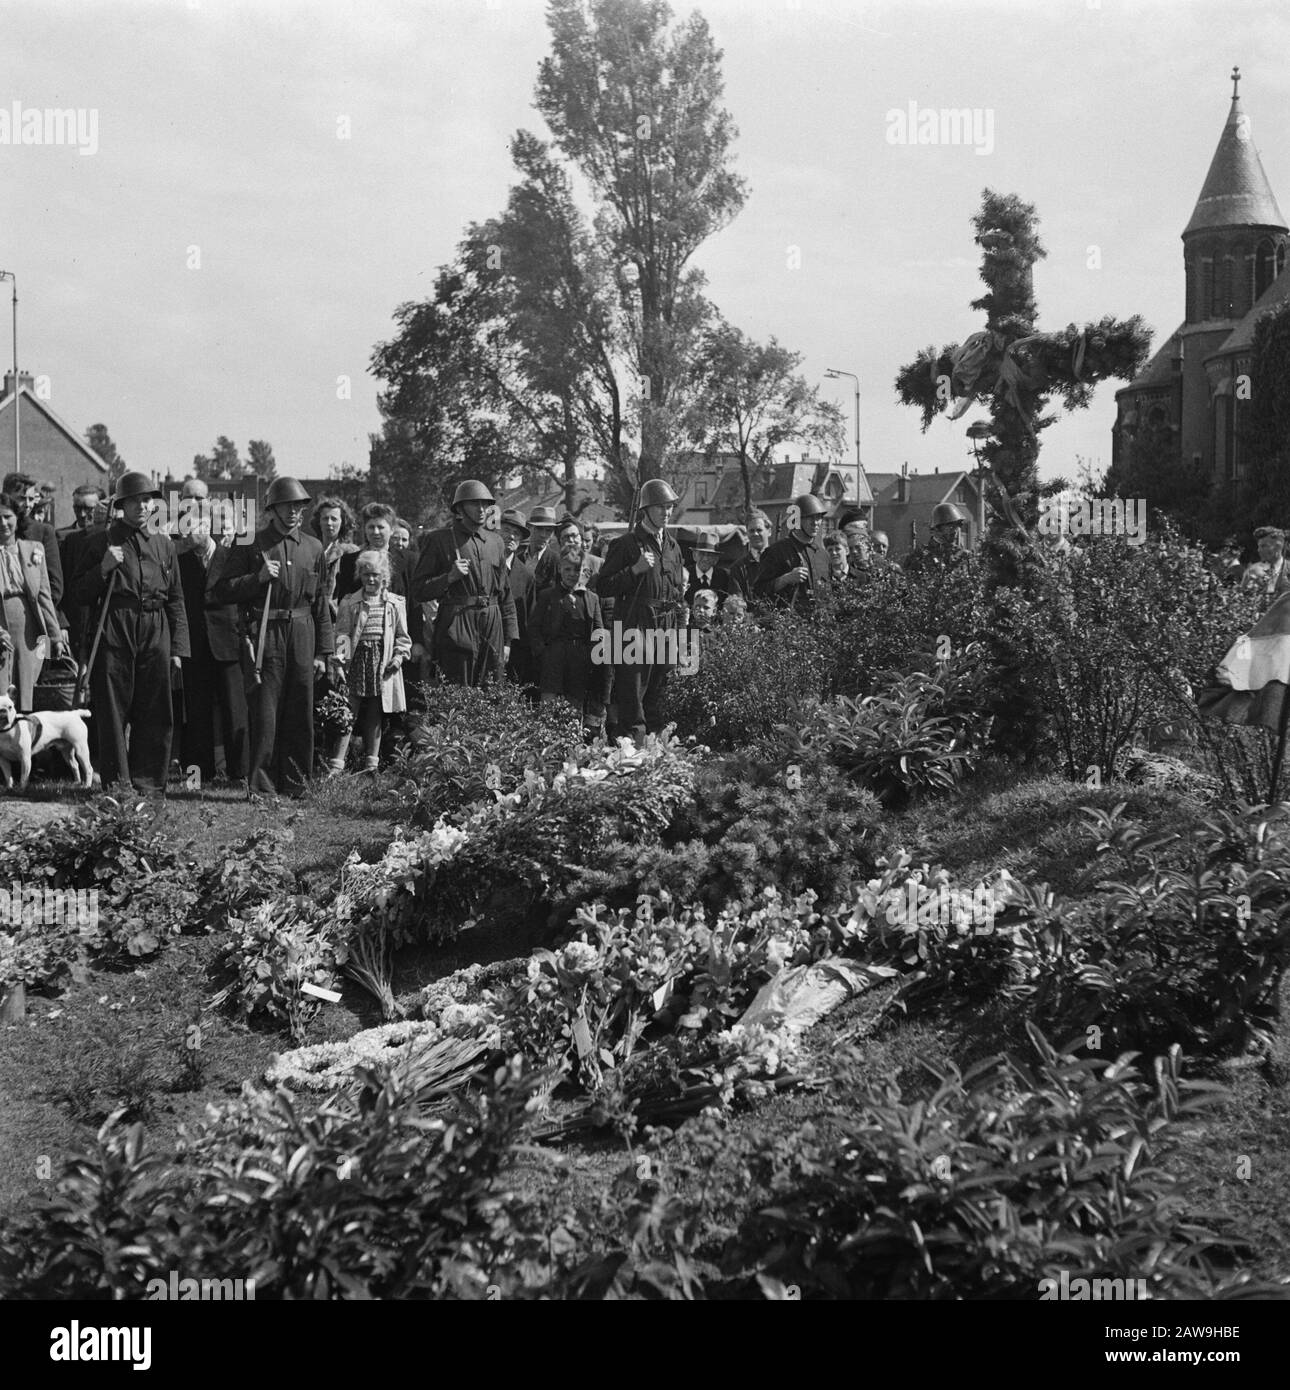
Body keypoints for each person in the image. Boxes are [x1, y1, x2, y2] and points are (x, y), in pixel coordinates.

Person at [209, 476, 333, 796]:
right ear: (272, 509)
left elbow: (320, 603)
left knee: (300, 711)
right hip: (265, 632)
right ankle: (262, 786)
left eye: (298, 506)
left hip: (303, 634)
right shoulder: (250, 542)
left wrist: (324, 652)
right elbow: (221, 591)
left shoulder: (313, 546)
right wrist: (257, 579)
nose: (293, 511)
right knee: (265, 713)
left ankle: (296, 783)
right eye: (286, 506)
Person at [69, 471, 190, 792]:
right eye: (136, 499)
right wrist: (103, 569)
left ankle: (149, 783)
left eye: (148, 499)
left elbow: (176, 598)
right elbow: (78, 594)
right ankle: (118, 784)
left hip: (155, 627)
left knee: (156, 709)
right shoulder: (101, 541)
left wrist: (177, 648)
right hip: (114, 625)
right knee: (112, 709)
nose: (143, 505)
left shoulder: (165, 545)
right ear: (122, 504)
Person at [597, 477, 686, 745]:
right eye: (661, 507)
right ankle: (631, 752)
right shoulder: (625, 544)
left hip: (667, 625)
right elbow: (602, 586)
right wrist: (634, 570)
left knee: (659, 694)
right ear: (646, 509)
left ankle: (657, 750)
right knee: (632, 696)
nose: (666, 513)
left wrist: (680, 635)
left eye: (670, 507)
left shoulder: (673, 546)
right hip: (636, 625)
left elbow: (678, 593)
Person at [412, 479, 518, 687]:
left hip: (492, 622)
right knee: (457, 689)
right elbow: (418, 590)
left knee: (492, 690)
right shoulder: (439, 540)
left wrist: (508, 640)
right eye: (474, 503)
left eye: (484, 504)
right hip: (457, 623)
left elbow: (505, 594)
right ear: (459, 508)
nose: (481, 509)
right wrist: (448, 578)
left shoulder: (496, 542)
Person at [177, 492, 248, 784]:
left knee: (235, 709)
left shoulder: (232, 555)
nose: (191, 531)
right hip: (194, 644)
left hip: (227, 641)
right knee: (196, 710)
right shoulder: (179, 560)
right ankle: (198, 774)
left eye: (196, 525)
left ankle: (240, 774)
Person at [330, 550, 412, 774]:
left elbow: (402, 637)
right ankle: (337, 764)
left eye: (375, 574)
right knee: (347, 712)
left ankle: (371, 764)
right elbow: (343, 635)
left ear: (384, 575)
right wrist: (340, 663)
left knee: (376, 712)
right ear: (360, 575)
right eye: (366, 575)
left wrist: (398, 657)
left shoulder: (394, 604)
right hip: (356, 662)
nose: (371, 579)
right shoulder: (350, 602)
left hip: (381, 662)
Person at [532, 552, 610, 735]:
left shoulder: (592, 598)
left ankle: (570, 745)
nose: (571, 574)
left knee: (574, 706)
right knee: (549, 705)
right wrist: (542, 652)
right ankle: (546, 743)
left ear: (584, 572)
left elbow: (598, 630)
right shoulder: (547, 595)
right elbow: (534, 626)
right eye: (567, 569)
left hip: (580, 657)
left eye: (577, 569)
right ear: (560, 570)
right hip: (554, 655)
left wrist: (592, 657)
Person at [0, 499, 64, 711]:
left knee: (28, 691)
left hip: (31, 634)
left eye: (7, 517)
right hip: (2, 633)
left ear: (17, 519)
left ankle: (27, 741)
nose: (3, 523)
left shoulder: (33, 549)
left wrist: (55, 636)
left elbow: (44, 594)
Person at [754, 494, 830, 612]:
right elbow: (758, 591)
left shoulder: (823, 556)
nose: (816, 523)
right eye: (810, 517)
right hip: (789, 625)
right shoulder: (776, 552)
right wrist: (785, 579)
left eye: (819, 517)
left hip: (820, 625)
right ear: (798, 519)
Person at [58, 485, 105, 661]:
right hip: (74, 625)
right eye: (78, 508)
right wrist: (60, 622)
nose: (83, 514)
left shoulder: (113, 539)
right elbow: (57, 585)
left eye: (89, 509)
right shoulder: (64, 540)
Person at [4, 472, 64, 609]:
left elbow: (55, 585)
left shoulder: (43, 532)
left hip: (32, 615)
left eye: (31, 499)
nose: (27, 505)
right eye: (21, 498)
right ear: (6, 497)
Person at [335, 502, 411, 601]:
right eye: (371, 527)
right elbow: (344, 601)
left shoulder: (409, 560)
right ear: (365, 529)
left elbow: (414, 604)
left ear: (392, 530)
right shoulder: (349, 561)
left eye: (380, 527)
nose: (376, 532)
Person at [500, 507, 538, 691]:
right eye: (507, 530)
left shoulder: (526, 575)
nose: (512, 537)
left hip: (513, 652)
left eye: (517, 533)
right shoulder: (483, 564)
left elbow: (529, 619)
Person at [309, 495, 359, 622]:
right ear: (318, 521)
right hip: (311, 614)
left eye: (334, 519)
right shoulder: (311, 548)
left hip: (338, 617)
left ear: (343, 522)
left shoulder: (351, 551)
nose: (329, 523)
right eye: (325, 518)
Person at [904, 502, 971, 577]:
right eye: (950, 526)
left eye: (957, 526)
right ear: (937, 528)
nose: (955, 531)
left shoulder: (963, 556)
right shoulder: (920, 556)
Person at [725, 509, 772, 602]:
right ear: (747, 533)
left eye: (759, 530)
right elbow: (737, 604)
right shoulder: (738, 568)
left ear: (769, 531)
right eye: (751, 531)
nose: (755, 534)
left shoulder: (780, 561)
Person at [685, 528, 729, 608]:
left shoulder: (725, 576)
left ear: (716, 559)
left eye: (709, 554)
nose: (705, 558)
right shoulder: (684, 575)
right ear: (694, 555)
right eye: (701, 553)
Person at [1249, 527, 1290, 603]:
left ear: (1278, 547)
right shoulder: (1252, 571)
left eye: (1264, 546)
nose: (1259, 550)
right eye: (1259, 546)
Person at [525, 505, 559, 572]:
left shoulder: (556, 562)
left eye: (548, 531)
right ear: (529, 528)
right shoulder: (516, 557)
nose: (543, 535)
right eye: (539, 529)